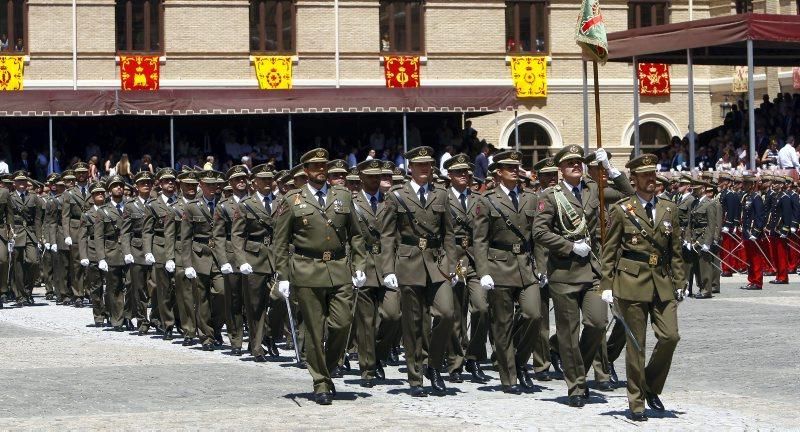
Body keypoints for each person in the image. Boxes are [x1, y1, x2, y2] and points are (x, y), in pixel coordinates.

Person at [273, 148, 367, 405]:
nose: (321, 170)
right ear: (305, 170)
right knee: (314, 331)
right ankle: (321, 382)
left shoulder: (343, 196)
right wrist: (282, 275)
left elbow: (356, 234)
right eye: (315, 167)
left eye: (324, 166)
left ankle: (328, 365)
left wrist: (359, 264)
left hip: (338, 268)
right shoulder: (292, 200)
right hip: (306, 269)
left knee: (342, 323)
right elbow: (279, 242)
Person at [600, 153, 684, 422]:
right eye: (645, 175)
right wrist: (606, 285)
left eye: (654, 174)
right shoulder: (622, 209)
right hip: (631, 282)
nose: (652, 179)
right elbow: (609, 251)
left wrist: (680, 282)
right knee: (636, 345)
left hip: (661, 281)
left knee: (670, 337)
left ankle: (650, 385)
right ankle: (636, 401)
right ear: (633, 179)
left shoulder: (669, 209)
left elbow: (676, 251)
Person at [532, 146, 617, 408]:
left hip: (592, 270)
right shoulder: (550, 196)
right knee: (569, 333)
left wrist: (611, 170)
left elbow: (627, 193)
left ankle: (577, 365)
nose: (576, 166)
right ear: (560, 168)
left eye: (579, 162)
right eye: (570, 163)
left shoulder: (594, 189)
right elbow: (540, 232)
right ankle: (577, 385)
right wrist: (569, 246)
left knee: (597, 322)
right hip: (565, 272)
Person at [380, 146, 458, 397]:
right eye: (420, 164)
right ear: (410, 167)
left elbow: (449, 234)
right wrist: (388, 268)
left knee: (446, 313)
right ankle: (415, 377)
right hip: (408, 262)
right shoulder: (396, 196)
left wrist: (452, 264)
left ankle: (433, 365)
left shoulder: (442, 194)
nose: (425, 168)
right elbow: (388, 235)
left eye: (429, 164)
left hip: (437, 263)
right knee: (413, 323)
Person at [472, 150, 540, 394]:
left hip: (525, 265)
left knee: (533, 315)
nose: (514, 170)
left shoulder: (531, 198)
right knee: (502, 323)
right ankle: (508, 375)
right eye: (509, 167)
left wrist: (541, 266)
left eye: (517, 166)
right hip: (498, 266)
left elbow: (538, 237)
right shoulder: (487, 200)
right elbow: (479, 240)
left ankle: (520, 362)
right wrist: (483, 272)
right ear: (498, 172)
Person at [442, 154, 490, 384]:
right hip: (452, 259)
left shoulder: (478, 199)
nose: (464, 176)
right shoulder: (442, 198)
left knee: (481, 308)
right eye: (459, 172)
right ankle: (455, 362)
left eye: (466, 172)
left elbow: (483, 235)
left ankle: (474, 356)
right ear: (449, 176)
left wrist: (486, 268)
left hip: (474, 259)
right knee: (455, 314)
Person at [231, 163, 278, 362]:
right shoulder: (246, 204)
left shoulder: (281, 202)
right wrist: (241, 260)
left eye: (270, 179)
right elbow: (237, 235)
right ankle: (257, 346)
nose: (268, 183)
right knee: (255, 305)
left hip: (276, 256)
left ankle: (269, 335)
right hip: (254, 257)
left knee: (279, 300)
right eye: (263, 179)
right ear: (255, 182)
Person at [181, 170, 228, 350]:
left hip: (219, 255)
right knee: (201, 299)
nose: (212, 188)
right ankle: (206, 337)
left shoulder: (223, 205)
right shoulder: (192, 206)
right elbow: (185, 238)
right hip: (199, 255)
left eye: (214, 185)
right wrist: (187, 264)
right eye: (208, 185)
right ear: (201, 185)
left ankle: (215, 327)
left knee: (222, 293)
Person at [212, 165, 249, 356]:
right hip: (232, 257)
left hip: (254, 255)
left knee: (257, 301)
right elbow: (218, 236)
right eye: (236, 180)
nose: (241, 182)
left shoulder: (254, 202)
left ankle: (259, 340)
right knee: (234, 300)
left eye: (243, 178)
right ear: (231, 184)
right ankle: (236, 339)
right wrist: (222, 259)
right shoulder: (223, 206)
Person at [143, 168, 178, 339]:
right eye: (166, 181)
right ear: (160, 184)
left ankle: (178, 319)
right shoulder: (153, 205)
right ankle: (167, 323)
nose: (170, 183)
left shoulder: (181, 203)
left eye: (172, 180)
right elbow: (148, 230)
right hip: (160, 246)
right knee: (162, 288)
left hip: (179, 247)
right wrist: (148, 251)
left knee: (179, 287)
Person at [122, 171, 157, 335]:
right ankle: (142, 320)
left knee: (157, 286)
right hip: (137, 249)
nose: (146, 185)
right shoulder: (130, 205)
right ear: (136, 186)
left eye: (149, 183)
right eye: (143, 183)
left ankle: (157, 317)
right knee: (139, 287)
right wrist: (127, 251)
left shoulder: (157, 202)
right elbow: (125, 231)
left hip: (156, 247)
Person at [95, 175, 128, 331]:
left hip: (130, 250)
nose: (119, 188)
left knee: (132, 285)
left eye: (120, 185)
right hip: (112, 250)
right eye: (115, 186)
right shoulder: (103, 211)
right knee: (114, 287)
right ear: (109, 190)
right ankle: (117, 319)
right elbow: (99, 236)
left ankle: (128, 316)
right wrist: (101, 257)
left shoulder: (130, 206)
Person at [8, 171, 42, 306]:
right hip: (16, 232)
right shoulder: (10, 197)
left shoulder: (33, 198)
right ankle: (20, 295)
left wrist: (39, 237)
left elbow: (38, 219)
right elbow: (8, 217)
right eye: (19, 182)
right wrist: (9, 234)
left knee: (34, 262)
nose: (22, 184)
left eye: (24, 181)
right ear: (14, 184)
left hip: (30, 233)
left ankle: (28, 291)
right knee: (17, 266)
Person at [79, 182, 108, 326]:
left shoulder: (110, 210)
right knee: (96, 286)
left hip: (109, 250)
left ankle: (111, 313)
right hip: (92, 251)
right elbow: (82, 236)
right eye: (97, 193)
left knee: (111, 285)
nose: (100, 195)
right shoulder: (87, 215)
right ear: (92, 196)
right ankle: (99, 315)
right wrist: (83, 255)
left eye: (102, 192)